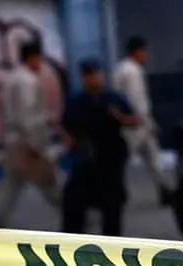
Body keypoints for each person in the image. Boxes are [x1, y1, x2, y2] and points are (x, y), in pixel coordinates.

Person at [60, 58, 140, 236]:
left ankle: (112, 242)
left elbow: (134, 120)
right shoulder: (77, 101)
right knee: (74, 201)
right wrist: (69, 140)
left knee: (112, 206)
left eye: (95, 74)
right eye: (89, 75)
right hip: (86, 158)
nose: (93, 79)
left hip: (111, 157)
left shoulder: (113, 98)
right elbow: (64, 123)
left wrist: (120, 117)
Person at [0, 40, 60, 228]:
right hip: (27, 144)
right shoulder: (28, 81)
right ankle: (73, 214)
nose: (41, 64)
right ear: (33, 58)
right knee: (49, 182)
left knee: (12, 186)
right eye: (39, 59)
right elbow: (28, 116)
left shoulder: (12, 78)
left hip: (13, 142)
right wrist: (36, 145)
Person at [113, 35, 173, 206]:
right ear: (137, 51)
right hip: (136, 124)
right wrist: (148, 123)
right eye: (145, 51)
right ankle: (111, 194)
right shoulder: (133, 71)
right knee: (123, 161)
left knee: (152, 157)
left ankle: (164, 190)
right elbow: (137, 101)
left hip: (131, 122)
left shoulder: (121, 68)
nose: (147, 54)